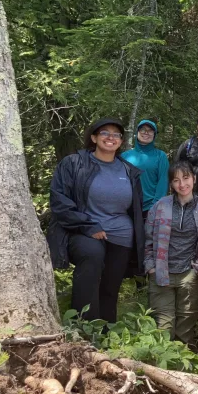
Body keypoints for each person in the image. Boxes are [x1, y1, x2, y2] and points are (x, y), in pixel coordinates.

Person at [47, 118, 144, 322]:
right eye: (104, 133)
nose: (111, 137)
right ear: (93, 138)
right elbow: (59, 200)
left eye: (116, 134)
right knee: (92, 256)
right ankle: (84, 326)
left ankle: (107, 331)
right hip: (82, 231)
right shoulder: (74, 163)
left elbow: (135, 208)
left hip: (121, 235)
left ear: (121, 141)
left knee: (110, 288)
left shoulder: (129, 170)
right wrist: (88, 226)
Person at [144, 161, 198, 346]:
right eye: (176, 180)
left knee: (185, 329)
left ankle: (182, 363)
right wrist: (151, 267)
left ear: (194, 179)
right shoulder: (160, 206)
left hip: (189, 275)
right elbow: (147, 239)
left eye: (186, 178)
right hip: (161, 273)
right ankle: (162, 361)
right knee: (164, 327)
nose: (182, 184)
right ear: (171, 184)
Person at [122, 120, 170, 219]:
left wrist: (155, 207)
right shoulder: (125, 156)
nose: (146, 132)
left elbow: (163, 182)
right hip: (126, 207)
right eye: (143, 129)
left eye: (150, 130)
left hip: (150, 209)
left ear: (154, 135)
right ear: (137, 132)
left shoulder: (160, 156)